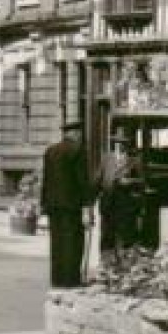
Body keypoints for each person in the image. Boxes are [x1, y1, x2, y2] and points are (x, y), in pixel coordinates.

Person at [40, 122, 95, 289]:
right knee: (73, 241)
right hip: (71, 204)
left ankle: (57, 278)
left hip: (53, 204)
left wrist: (43, 203)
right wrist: (88, 203)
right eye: (80, 134)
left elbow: (46, 180)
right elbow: (82, 180)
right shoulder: (77, 151)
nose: (81, 137)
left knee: (56, 242)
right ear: (76, 133)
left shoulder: (51, 151)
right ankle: (71, 279)